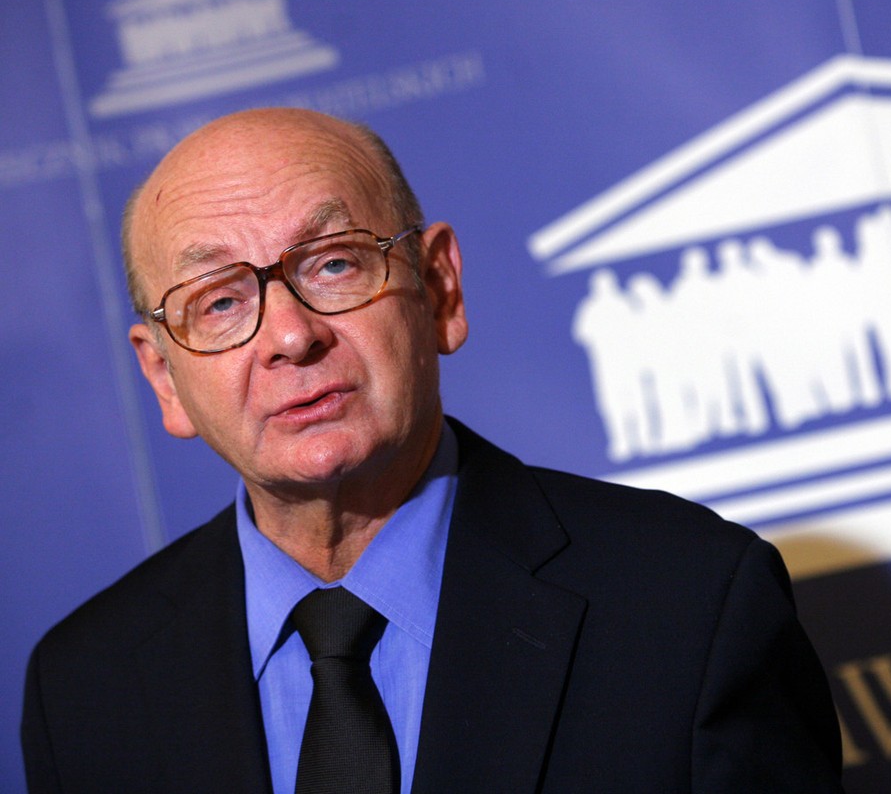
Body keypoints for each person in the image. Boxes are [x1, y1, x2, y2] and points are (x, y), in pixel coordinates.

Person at [21, 108, 844, 793]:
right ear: (164, 377)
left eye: (334, 263)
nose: (291, 336)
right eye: (220, 301)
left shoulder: (688, 602)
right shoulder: (86, 689)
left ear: (440, 287)